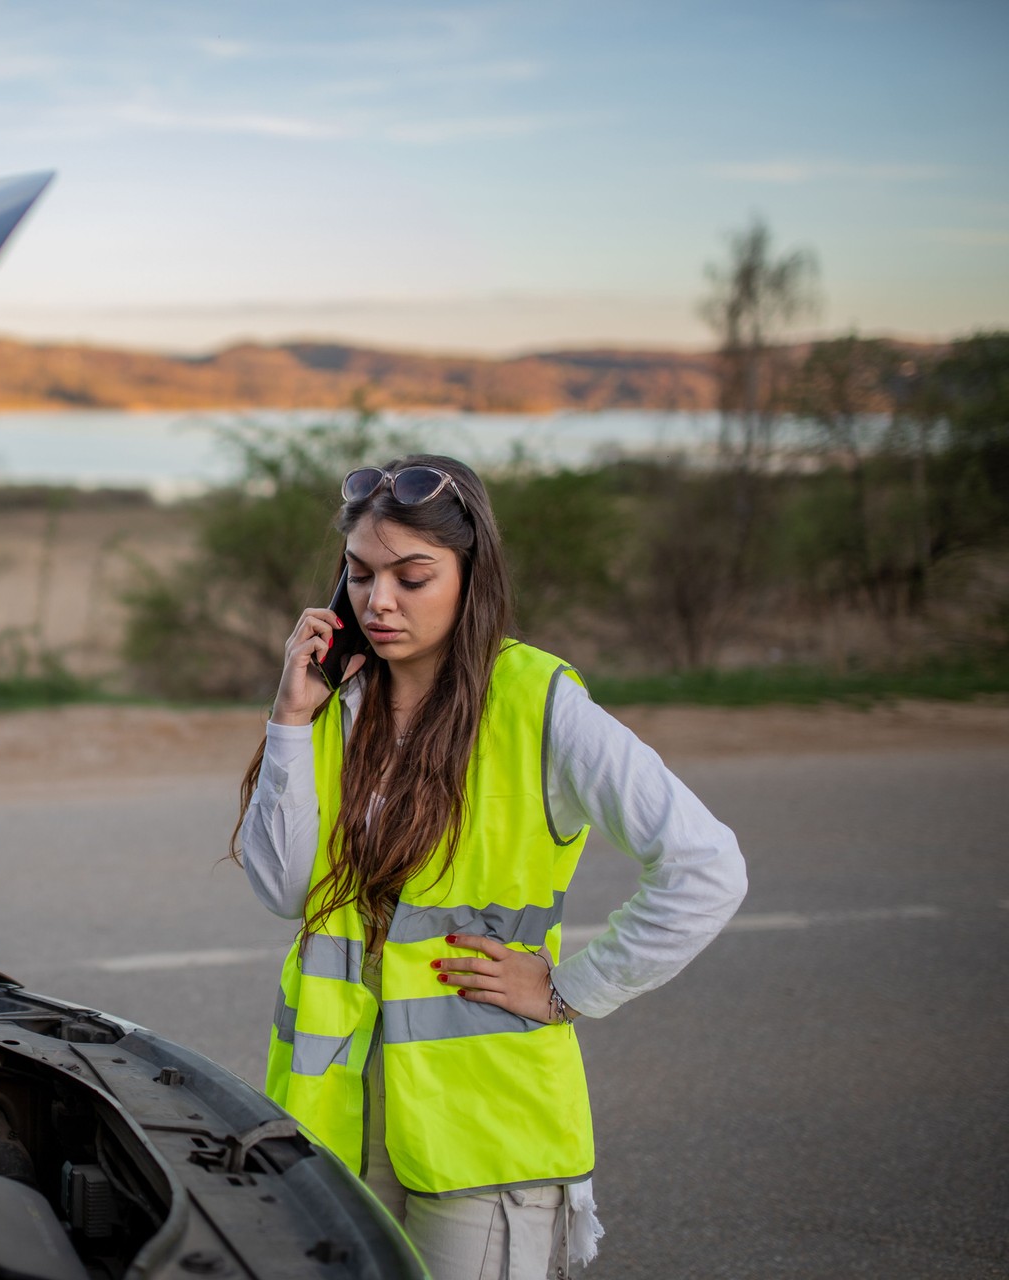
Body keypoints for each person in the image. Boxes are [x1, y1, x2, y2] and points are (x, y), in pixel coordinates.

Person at [235, 455, 747, 1280]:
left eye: (413, 576)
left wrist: (571, 988)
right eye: (359, 577)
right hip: (342, 1117)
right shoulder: (341, 700)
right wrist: (292, 719)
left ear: (472, 578)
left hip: (486, 1131)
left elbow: (705, 865)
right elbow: (287, 889)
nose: (380, 602)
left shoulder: (539, 705)